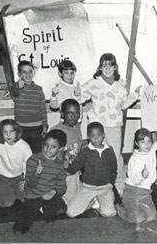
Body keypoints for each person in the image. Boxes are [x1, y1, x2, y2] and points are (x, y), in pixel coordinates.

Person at [80, 53, 140, 194]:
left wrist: (135, 95)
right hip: (97, 126)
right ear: (100, 67)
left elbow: (123, 104)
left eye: (110, 65)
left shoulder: (121, 84)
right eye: (104, 65)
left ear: (115, 67)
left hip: (114, 125)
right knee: (94, 154)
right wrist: (76, 93)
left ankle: (118, 184)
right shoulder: (93, 82)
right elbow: (79, 98)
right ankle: (92, 183)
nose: (107, 68)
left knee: (116, 156)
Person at [116, 128, 157, 226]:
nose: (147, 145)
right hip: (132, 191)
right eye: (142, 142)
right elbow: (135, 180)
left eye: (149, 141)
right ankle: (120, 209)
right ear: (136, 143)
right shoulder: (134, 159)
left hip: (145, 192)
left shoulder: (151, 151)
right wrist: (141, 175)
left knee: (151, 217)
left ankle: (136, 208)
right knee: (138, 219)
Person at [12, 129, 67, 234]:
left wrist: (53, 191)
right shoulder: (34, 160)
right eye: (46, 145)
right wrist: (37, 174)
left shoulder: (60, 165)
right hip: (34, 194)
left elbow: (62, 186)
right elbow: (29, 185)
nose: (48, 149)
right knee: (19, 230)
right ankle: (36, 209)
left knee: (61, 209)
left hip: (48, 194)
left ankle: (44, 209)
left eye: (53, 147)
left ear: (61, 149)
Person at [65, 122, 117, 218]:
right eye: (93, 136)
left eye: (99, 135)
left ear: (104, 135)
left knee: (109, 213)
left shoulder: (109, 150)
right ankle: (92, 201)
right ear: (88, 137)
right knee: (71, 213)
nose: (96, 138)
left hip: (105, 187)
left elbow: (114, 169)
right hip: (88, 187)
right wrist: (66, 167)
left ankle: (99, 201)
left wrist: (111, 183)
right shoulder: (85, 151)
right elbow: (75, 166)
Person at [50, 99, 83, 205]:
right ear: (62, 114)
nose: (74, 116)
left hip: (73, 173)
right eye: (70, 113)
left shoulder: (77, 129)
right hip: (60, 174)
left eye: (77, 113)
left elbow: (78, 149)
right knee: (66, 203)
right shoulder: (56, 130)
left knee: (75, 201)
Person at [10, 60, 47, 153]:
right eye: (24, 72)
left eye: (30, 71)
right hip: (21, 127)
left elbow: (43, 108)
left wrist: (45, 125)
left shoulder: (38, 89)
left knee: (36, 153)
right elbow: (13, 92)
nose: (28, 75)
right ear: (19, 74)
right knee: (21, 153)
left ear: (33, 73)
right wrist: (18, 86)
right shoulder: (16, 88)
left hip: (37, 127)